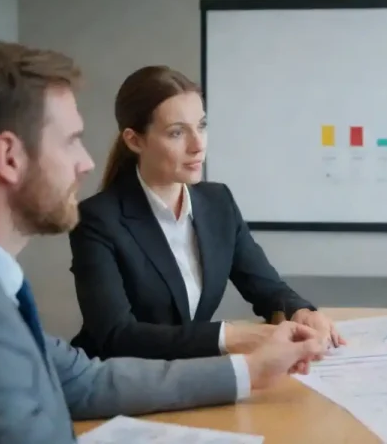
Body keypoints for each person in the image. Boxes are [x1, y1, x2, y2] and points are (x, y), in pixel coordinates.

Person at [0, 38, 325, 444]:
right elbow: (111, 341)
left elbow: (83, 381)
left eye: (201, 125)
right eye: (69, 141)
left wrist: (253, 367)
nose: (85, 162)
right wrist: (240, 342)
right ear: (10, 157)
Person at [67, 65, 344, 361]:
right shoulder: (97, 220)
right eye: (177, 133)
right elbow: (116, 336)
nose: (198, 145)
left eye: (201, 126)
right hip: (116, 386)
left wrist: (302, 312)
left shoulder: (218, 203)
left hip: (189, 382)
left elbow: (267, 288)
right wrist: (230, 337)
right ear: (135, 140)